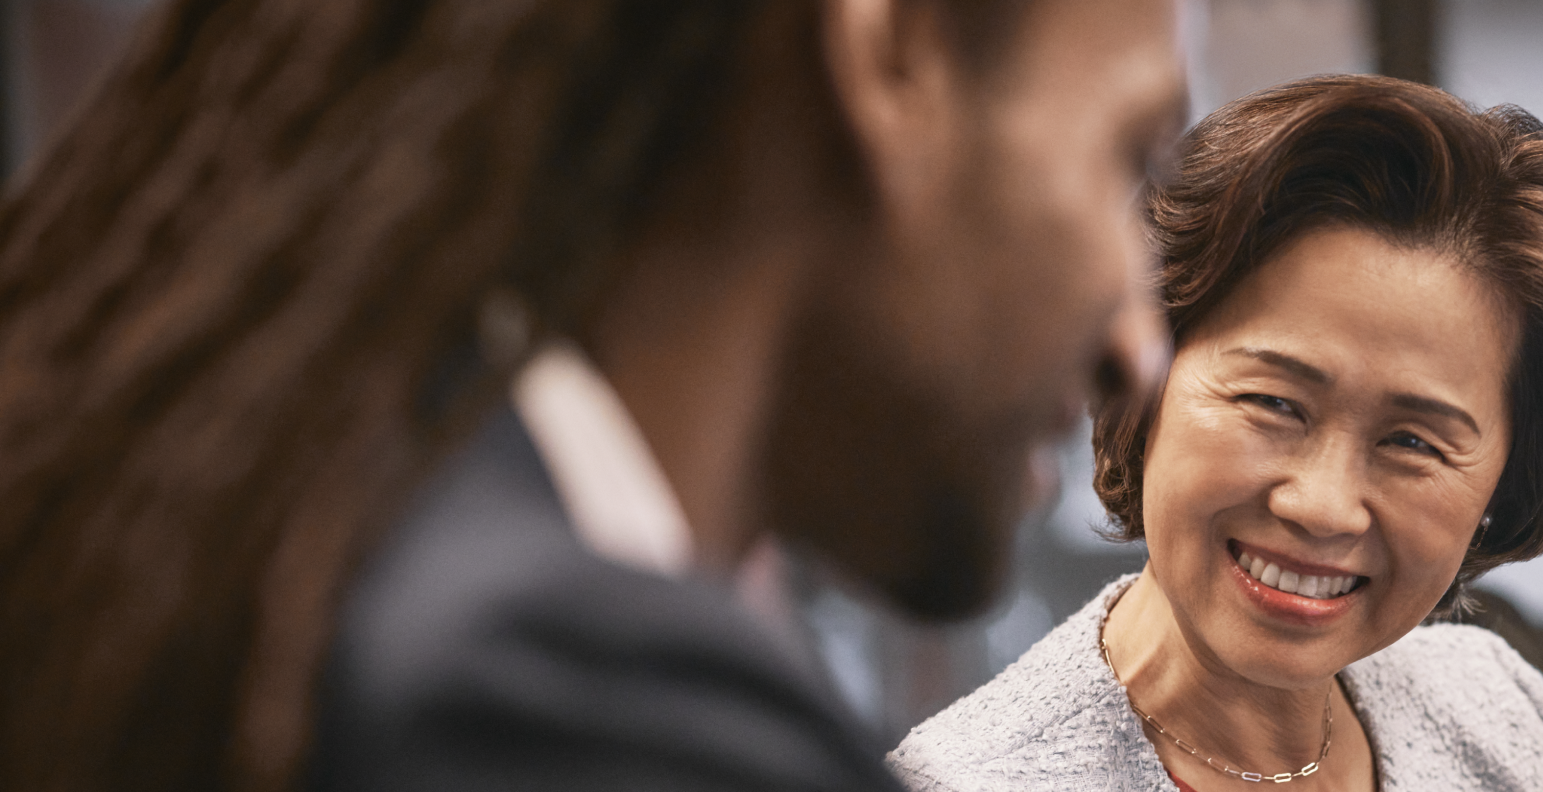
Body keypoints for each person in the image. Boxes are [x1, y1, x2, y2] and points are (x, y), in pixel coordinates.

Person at [0, 1, 1189, 790]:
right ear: (892, 60)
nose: (1141, 349)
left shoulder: (286, 555)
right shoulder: (579, 707)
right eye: (1122, 156)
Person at [889, 74, 1543, 792]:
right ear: (1144, 382)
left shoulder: (1494, 707)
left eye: (1412, 443)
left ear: (1507, 484)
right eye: (1275, 403)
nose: (1322, 506)